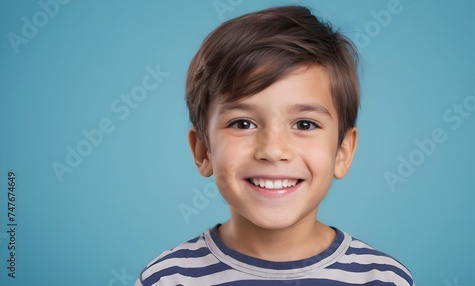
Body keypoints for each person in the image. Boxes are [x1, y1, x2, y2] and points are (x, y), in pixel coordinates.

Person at [136, 5, 414, 285]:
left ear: (343, 151)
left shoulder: (383, 279)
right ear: (203, 151)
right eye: (243, 124)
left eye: (304, 124)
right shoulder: (168, 279)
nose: (273, 151)